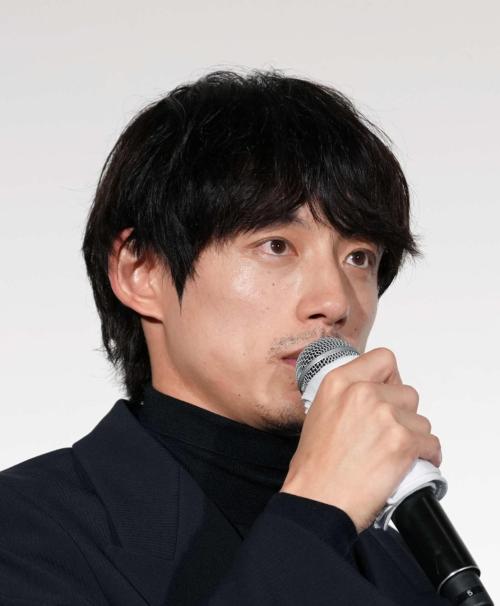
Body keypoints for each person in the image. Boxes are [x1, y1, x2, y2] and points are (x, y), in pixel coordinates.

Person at [0, 71, 449, 605]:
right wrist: (316, 512)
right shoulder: (24, 532)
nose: (335, 302)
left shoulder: (400, 560)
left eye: (359, 257)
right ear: (140, 271)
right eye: (276, 246)